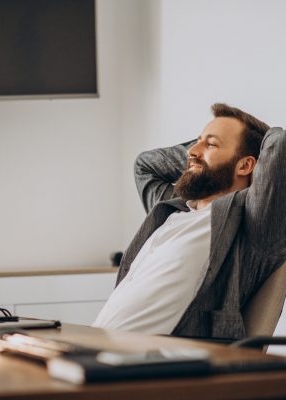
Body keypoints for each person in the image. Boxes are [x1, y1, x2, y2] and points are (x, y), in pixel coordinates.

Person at [93, 103, 286, 339]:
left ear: (246, 165)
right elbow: (145, 165)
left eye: (211, 144)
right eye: (196, 141)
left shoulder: (251, 222)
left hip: (159, 364)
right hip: (97, 346)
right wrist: (204, 149)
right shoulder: (173, 209)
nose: (191, 150)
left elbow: (279, 144)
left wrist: (254, 140)